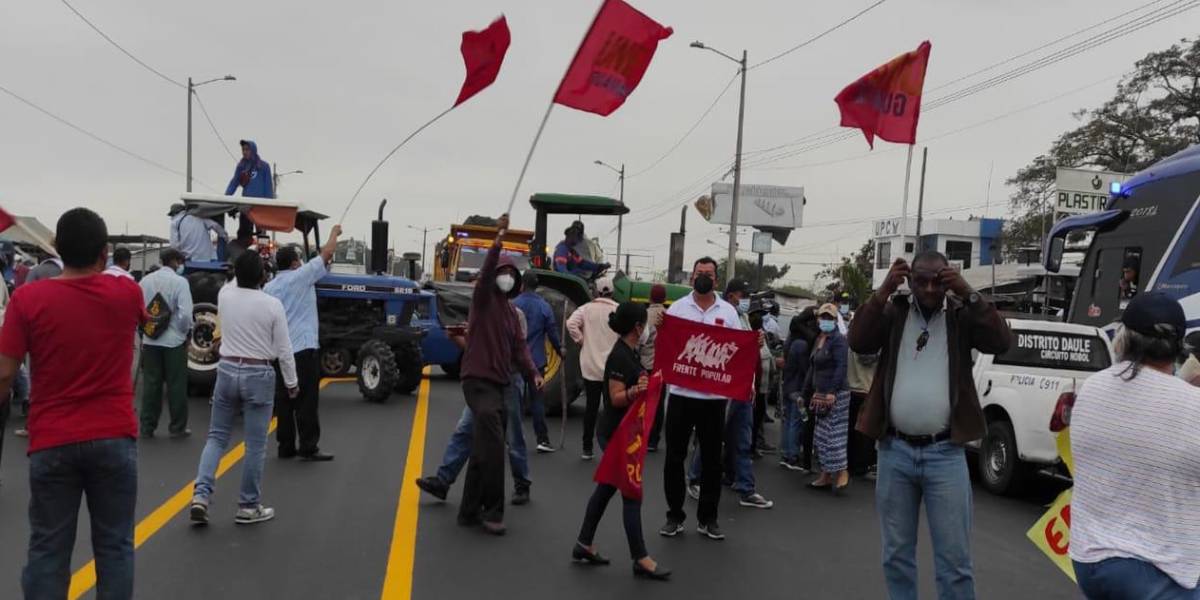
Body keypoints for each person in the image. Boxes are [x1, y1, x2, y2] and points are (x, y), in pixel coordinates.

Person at [849, 251, 1011, 600]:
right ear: (909, 279)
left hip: (945, 454)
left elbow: (1000, 342)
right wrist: (882, 292)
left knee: (954, 562)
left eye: (937, 281)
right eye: (919, 280)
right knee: (896, 556)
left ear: (947, 278)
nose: (928, 288)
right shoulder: (895, 313)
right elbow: (859, 339)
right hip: (895, 451)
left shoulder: (961, 316)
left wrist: (968, 292)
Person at [0, 208, 144, 598]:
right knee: (114, 548)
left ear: (58, 249)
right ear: (104, 254)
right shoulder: (127, 293)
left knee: (48, 548)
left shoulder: (27, 299)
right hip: (114, 436)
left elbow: (4, 373)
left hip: (52, 439)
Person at [1069, 292, 1200, 599]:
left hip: (1090, 561)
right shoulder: (1192, 404)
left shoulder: (1092, 387)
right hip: (1160, 569)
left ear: (1123, 338)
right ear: (1179, 347)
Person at [190, 251, 298, 526]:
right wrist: (292, 383)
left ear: (236, 274)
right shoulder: (273, 305)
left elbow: (230, 288)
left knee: (216, 437)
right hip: (258, 372)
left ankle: (201, 496)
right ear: (263, 275)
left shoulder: (225, 296)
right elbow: (284, 350)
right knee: (255, 445)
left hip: (226, 369)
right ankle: (248, 506)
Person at [456, 213, 542, 535]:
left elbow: (520, 349)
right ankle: (493, 512)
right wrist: (498, 238)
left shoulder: (510, 312)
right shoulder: (483, 301)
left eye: (510, 274)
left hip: (500, 383)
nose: (505, 278)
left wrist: (533, 373)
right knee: (494, 446)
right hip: (477, 382)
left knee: (482, 447)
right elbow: (488, 269)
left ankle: (467, 511)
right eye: (501, 273)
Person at [572, 301, 671, 581]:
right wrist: (634, 391)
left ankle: (583, 543)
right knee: (631, 494)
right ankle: (640, 558)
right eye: (646, 325)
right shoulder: (619, 357)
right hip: (615, 435)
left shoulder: (630, 351)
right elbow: (615, 398)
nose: (647, 330)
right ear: (637, 328)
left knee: (605, 490)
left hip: (624, 433)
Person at [416, 300, 535, 506]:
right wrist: (458, 338)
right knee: (464, 430)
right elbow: (475, 349)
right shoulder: (481, 314)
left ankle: (522, 484)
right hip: (485, 382)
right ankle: (443, 481)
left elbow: (515, 351)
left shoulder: (516, 316)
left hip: (507, 380)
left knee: (513, 435)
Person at [660, 257, 745, 542]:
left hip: (714, 399)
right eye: (699, 273)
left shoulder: (730, 313)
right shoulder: (678, 309)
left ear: (716, 280)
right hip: (682, 395)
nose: (703, 277)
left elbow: (739, 352)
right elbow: (664, 345)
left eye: (709, 274)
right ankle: (674, 515)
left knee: (712, 460)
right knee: (674, 456)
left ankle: (708, 519)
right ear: (691, 277)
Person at [688, 279, 773, 509]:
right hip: (724, 387)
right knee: (713, 436)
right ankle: (694, 477)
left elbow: (746, 351)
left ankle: (746, 488)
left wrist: (757, 342)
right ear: (732, 295)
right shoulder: (721, 316)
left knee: (742, 440)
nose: (744, 300)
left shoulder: (741, 318)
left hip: (744, 386)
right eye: (742, 295)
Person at [265, 225, 343, 462]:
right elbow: (327, 254)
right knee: (307, 400)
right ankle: (309, 446)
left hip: (280, 350)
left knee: (284, 400)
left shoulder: (269, 287)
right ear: (295, 263)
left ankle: (285, 446)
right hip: (303, 348)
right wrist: (334, 233)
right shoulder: (300, 278)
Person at [139, 248, 194, 439]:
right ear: (176, 261)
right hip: (173, 341)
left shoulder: (145, 281)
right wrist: (183, 331)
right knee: (176, 384)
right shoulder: (180, 282)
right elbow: (186, 314)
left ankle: (147, 426)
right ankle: (177, 427)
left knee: (151, 384)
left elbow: (139, 308)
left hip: (150, 339)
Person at [567, 275, 620, 460]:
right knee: (611, 409)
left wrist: (582, 341)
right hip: (613, 369)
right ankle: (610, 446)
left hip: (590, 367)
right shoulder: (618, 310)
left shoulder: (585, 309)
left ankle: (587, 448)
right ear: (612, 292)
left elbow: (570, 323)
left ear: (595, 291)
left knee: (591, 408)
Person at [512, 271, 565, 453]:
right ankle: (542, 439)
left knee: (514, 401)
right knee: (537, 402)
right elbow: (552, 333)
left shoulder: (513, 305)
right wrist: (560, 351)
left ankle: (513, 439)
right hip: (537, 363)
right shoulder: (544, 307)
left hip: (516, 362)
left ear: (522, 285)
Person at [803, 304, 851, 494]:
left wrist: (832, 390)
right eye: (823, 317)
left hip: (835, 394)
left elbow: (841, 366)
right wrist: (804, 391)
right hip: (819, 393)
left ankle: (842, 472)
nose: (826, 321)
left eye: (830, 318)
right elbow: (812, 366)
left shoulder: (838, 340)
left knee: (834, 436)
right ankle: (825, 475)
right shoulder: (819, 339)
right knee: (821, 437)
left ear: (835, 320)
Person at [779, 308, 816, 471]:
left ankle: (786, 452)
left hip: (788, 384)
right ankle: (793, 456)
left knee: (788, 421)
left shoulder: (791, 339)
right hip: (798, 388)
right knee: (796, 421)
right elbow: (804, 368)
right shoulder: (802, 344)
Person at [643, 284, 668, 452]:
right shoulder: (670, 315)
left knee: (643, 402)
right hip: (662, 366)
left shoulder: (644, 315)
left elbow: (641, 339)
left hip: (645, 364)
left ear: (650, 297)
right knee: (658, 404)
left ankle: (642, 436)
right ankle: (653, 440)